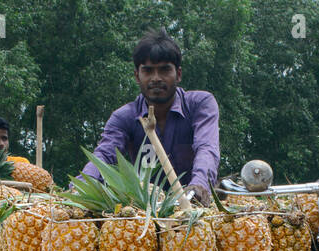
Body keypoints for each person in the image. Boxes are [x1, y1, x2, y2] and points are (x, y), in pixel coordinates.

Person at [81, 29, 221, 204]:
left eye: (164, 70)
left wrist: (199, 186)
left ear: (178, 74)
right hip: (148, 211)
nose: (156, 78)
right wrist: (81, 189)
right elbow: (104, 155)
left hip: (196, 205)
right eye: (148, 71)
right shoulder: (124, 117)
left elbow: (207, 147)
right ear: (137, 76)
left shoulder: (200, 104)